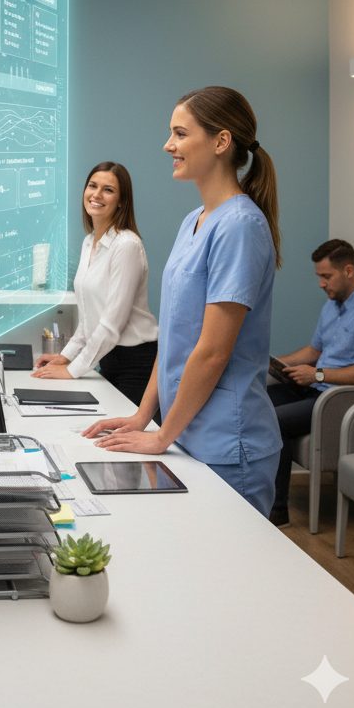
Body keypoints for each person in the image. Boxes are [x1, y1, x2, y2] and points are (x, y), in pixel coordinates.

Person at [82, 86, 284, 518]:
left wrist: (160, 436)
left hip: (228, 442)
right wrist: (143, 417)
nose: (168, 145)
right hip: (185, 432)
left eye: (179, 133)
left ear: (220, 141)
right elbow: (174, 337)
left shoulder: (241, 226)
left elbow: (212, 352)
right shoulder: (194, 220)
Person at [268, 239, 354, 527]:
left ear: (348, 270)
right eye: (319, 276)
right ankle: (253, 491)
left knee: (274, 420)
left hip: (338, 400)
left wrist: (318, 375)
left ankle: (277, 509)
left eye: (326, 276)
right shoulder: (332, 305)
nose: (321, 283)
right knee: (257, 401)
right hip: (315, 389)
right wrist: (274, 363)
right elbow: (313, 352)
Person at [32, 161, 157, 408]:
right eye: (92, 186)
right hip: (107, 358)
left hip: (136, 364)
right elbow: (89, 320)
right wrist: (64, 357)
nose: (97, 194)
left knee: (117, 439)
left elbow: (111, 325)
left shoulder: (126, 246)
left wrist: (72, 370)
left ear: (122, 201)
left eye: (108, 190)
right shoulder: (90, 242)